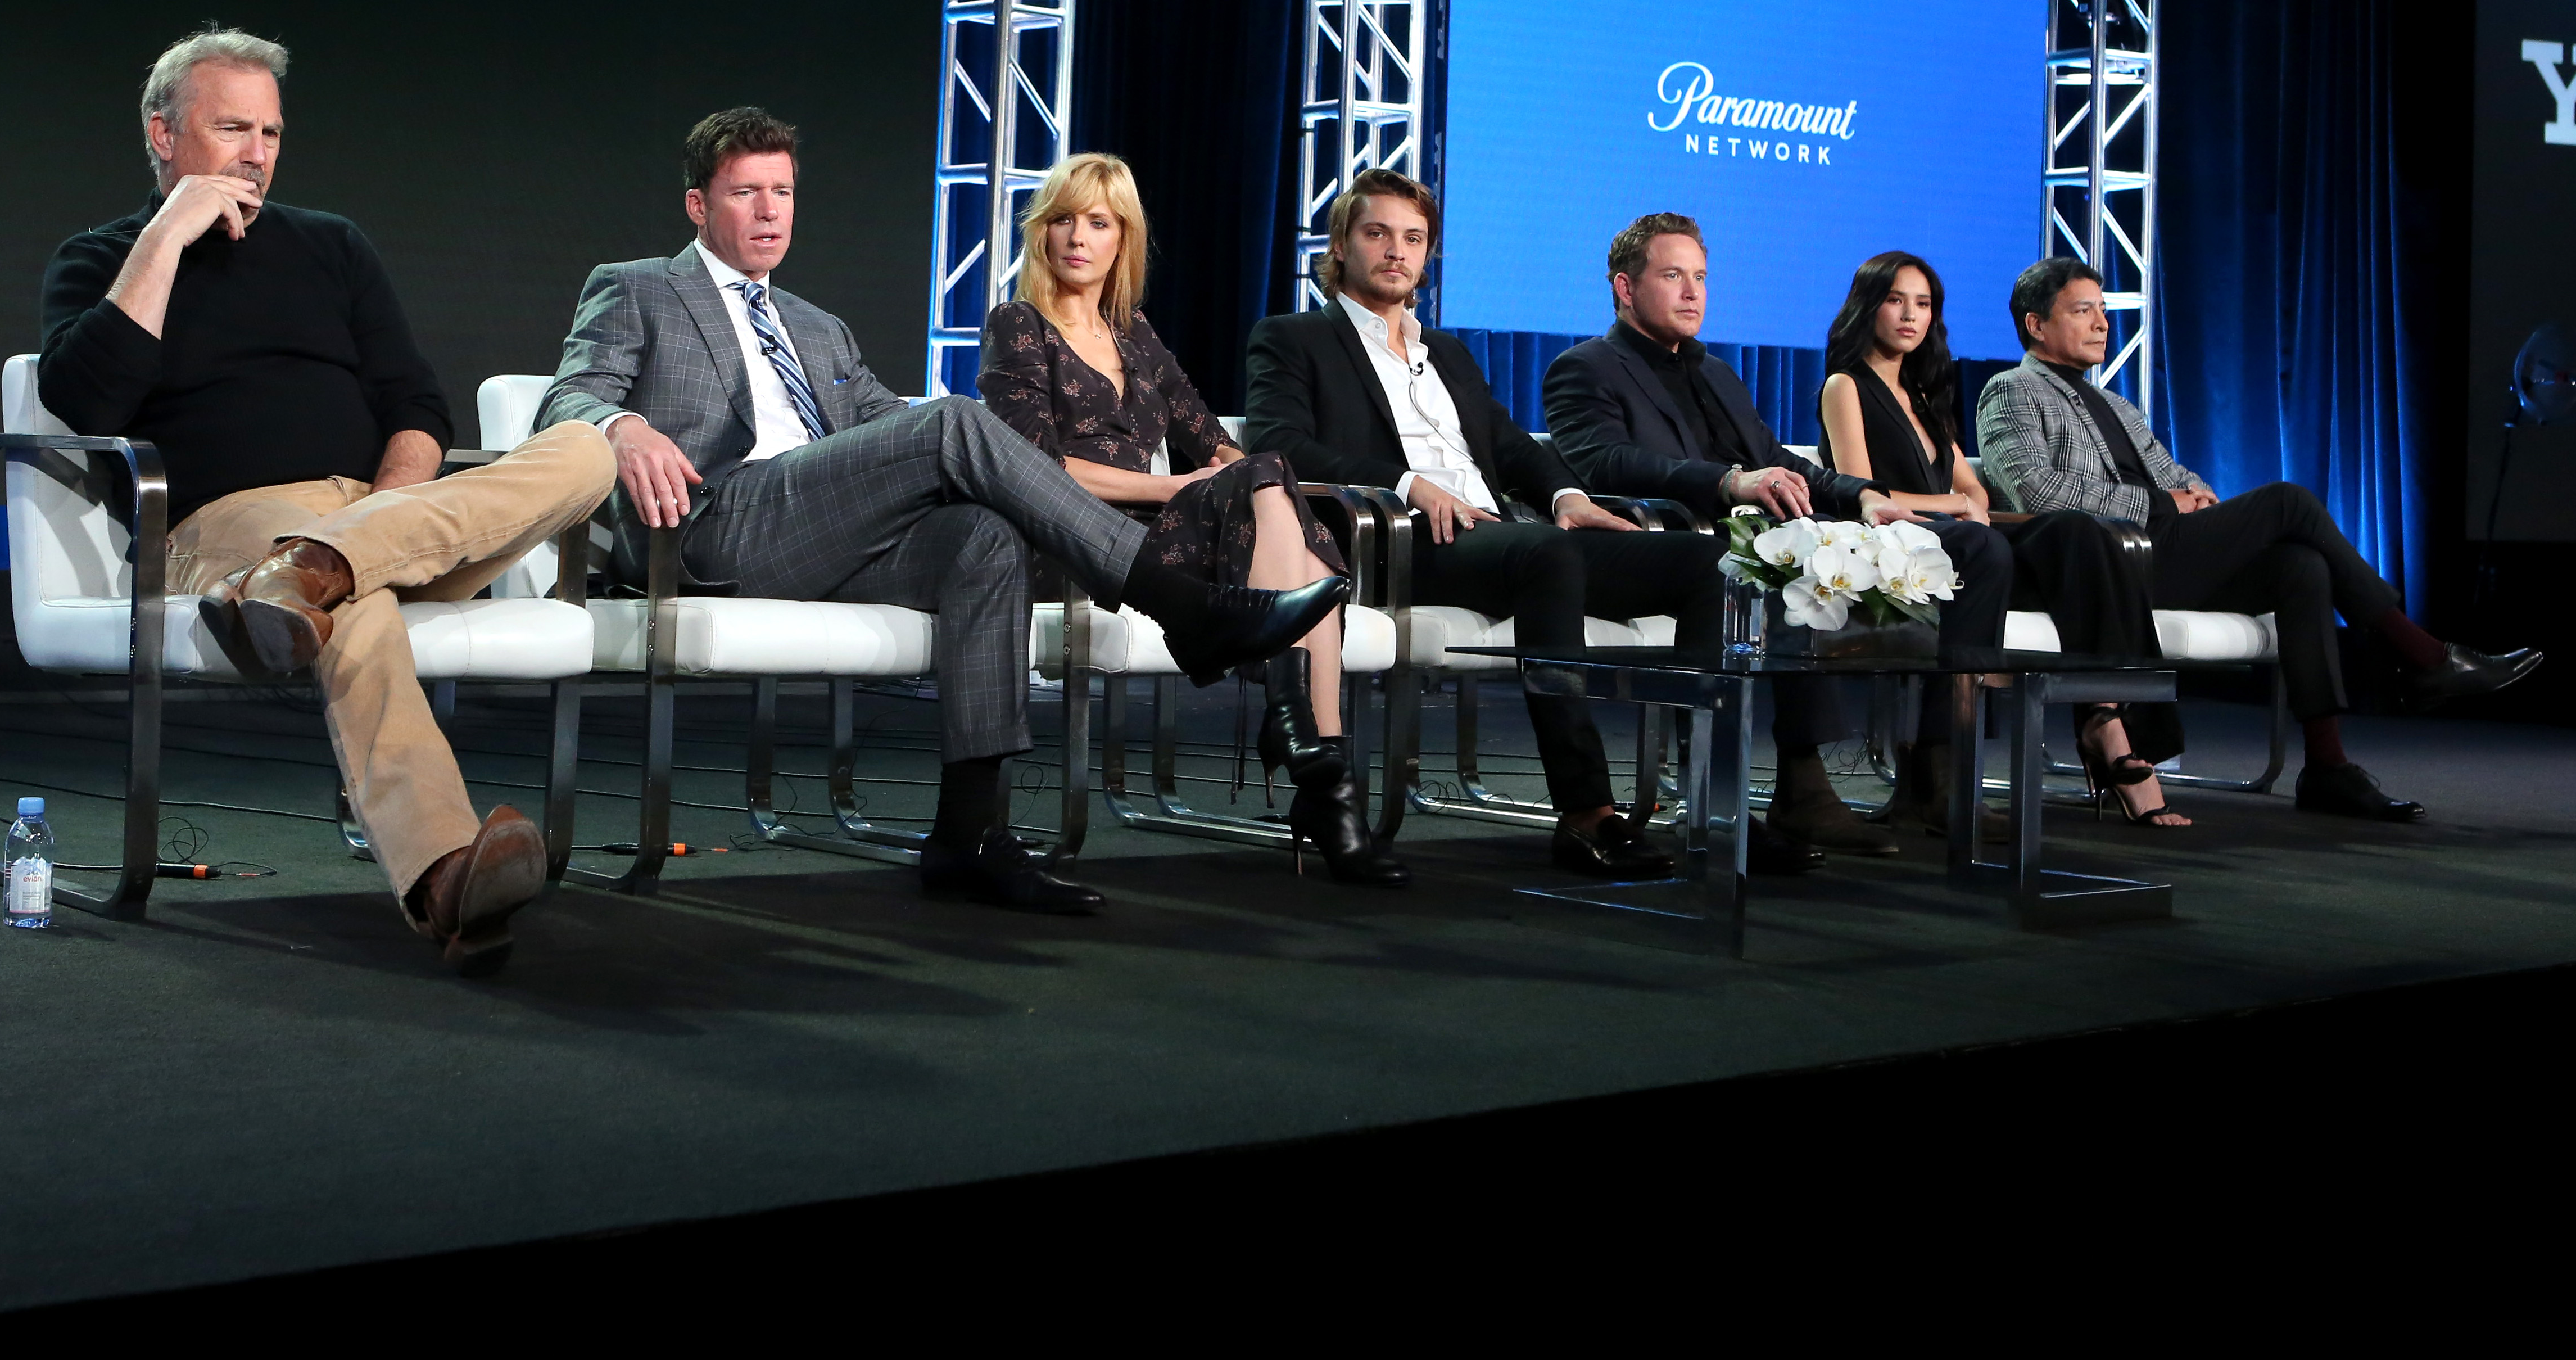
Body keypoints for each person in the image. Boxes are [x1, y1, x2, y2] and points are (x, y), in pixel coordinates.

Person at [536, 109, 1346, 916]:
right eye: (746, 191)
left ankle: (969, 832)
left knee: (982, 537)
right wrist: (625, 424)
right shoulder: (638, 286)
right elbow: (565, 397)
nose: (770, 210)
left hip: (826, 534)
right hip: (715, 526)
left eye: (782, 190)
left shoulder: (819, 328)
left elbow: (889, 426)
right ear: (698, 205)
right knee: (953, 418)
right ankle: (1181, 600)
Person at [38, 28, 617, 976]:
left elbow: (416, 405)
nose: (257, 151)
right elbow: (86, 402)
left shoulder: (332, 244)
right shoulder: (101, 256)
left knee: (588, 450)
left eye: (269, 130)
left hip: (383, 518)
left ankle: (320, 567)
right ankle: (446, 876)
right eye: (232, 127)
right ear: (163, 134)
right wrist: (167, 236)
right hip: (225, 524)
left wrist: (381, 520)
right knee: (356, 611)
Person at [1242, 171, 1795, 878]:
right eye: (1376, 233)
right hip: (1401, 540)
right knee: (1546, 554)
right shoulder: (1293, 338)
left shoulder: (1444, 351)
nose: (1395, 251)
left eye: (1412, 239)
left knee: (1707, 561)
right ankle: (1587, 811)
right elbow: (1280, 444)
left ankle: (1712, 798)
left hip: (1506, 540)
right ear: (1341, 246)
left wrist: (1566, 494)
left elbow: (1508, 446)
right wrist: (1412, 484)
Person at [1977, 256, 2543, 823]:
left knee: (2300, 567)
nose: (2102, 324)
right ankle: (2423, 656)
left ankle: (2327, 766)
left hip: (2170, 552)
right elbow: (2034, 491)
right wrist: (2158, 503)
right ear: (2036, 325)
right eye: (2083, 311)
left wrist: (2193, 496)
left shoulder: (2117, 405)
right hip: (2106, 566)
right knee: (2287, 502)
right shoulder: (2010, 391)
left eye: (2102, 310)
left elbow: (2177, 475)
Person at [978, 155, 1406, 887]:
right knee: (1268, 485)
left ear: (1123, 240)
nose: (1078, 237)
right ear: (1041, 233)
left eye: (1099, 222)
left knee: (1266, 475)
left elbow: (1210, 435)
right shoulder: (1019, 324)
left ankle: (1314, 758)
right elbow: (1034, 464)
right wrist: (1183, 481)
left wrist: (1246, 480)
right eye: (1063, 219)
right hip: (1071, 540)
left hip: (1156, 537)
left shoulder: (1133, 333)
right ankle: (1324, 777)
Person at [1545, 215, 2014, 853]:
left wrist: (1865, 498)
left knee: (1978, 548)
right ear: (1625, 289)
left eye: (1701, 278)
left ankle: (1937, 769)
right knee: (1785, 561)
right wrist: (1730, 481)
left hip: (1775, 532)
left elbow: (1783, 461)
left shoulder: (1717, 374)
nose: (1693, 293)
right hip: (1681, 548)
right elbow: (1605, 462)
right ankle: (1803, 785)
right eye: (1673, 276)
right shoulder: (1586, 367)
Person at [1818, 250, 2189, 829]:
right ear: (1868, 307)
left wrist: (1963, 504)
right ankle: (1949, 773)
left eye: (1923, 304)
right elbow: (1860, 489)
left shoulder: (1924, 398)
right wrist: (1954, 504)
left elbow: (1979, 496)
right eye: (1895, 301)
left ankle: (2116, 720)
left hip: (1959, 540)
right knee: (1994, 546)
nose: (1910, 316)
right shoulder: (1846, 385)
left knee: (2075, 530)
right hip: (1895, 546)